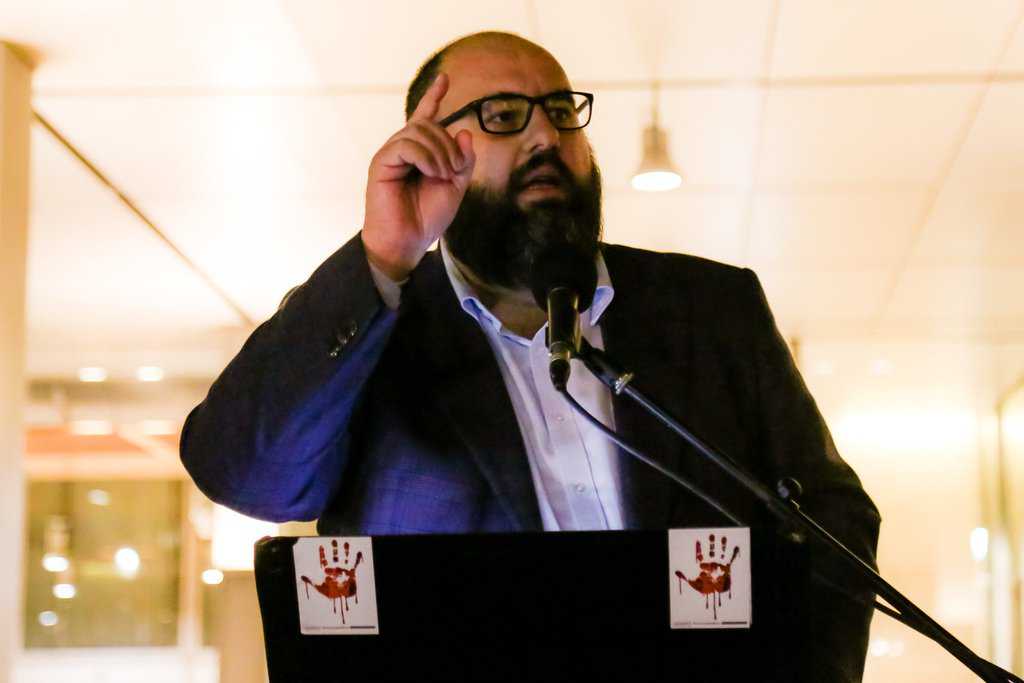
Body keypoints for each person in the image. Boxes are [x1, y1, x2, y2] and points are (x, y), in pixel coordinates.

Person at [180, 31, 880, 680]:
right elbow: (245, 475)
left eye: (560, 111)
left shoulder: (712, 309)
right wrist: (385, 255)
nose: (545, 134)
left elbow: (832, 516)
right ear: (431, 151)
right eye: (504, 115)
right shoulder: (377, 328)